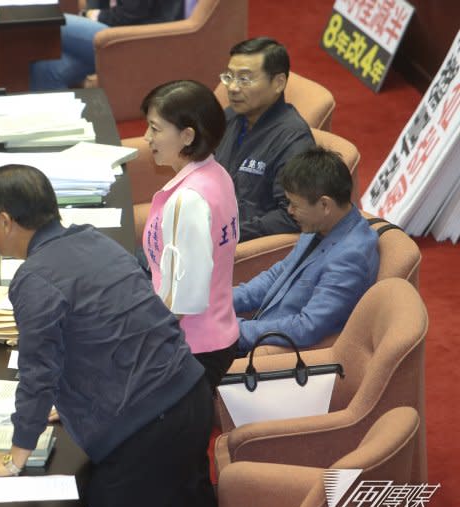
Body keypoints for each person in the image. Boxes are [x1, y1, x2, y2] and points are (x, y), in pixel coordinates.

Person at [0, 165, 217, 507]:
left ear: (4, 220)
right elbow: (118, 327)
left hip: (145, 431)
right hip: (191, 396)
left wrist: (14, 459)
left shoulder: (34, 279)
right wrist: (75, 400)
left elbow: (37, 374)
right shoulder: (94, 240)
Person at [140, 80, 239, 390]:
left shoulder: (189, 200)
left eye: (155, 129)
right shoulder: (217, 174)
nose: (147, 138)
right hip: (209, 338)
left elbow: (182, 301)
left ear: (187, 135)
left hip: (190, 350)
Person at [233, 146, 379, 354]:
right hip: (259, 331)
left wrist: (234, 330)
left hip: (273, 357)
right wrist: (221, 303)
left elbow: (306, 328)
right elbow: (277, 275)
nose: (289, 211)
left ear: (325, 205)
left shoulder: (351, 258)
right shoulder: (320, 225)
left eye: (294, 205)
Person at [214, 36, 316, 241]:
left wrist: (225, 235)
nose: (232, 87)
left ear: (278, 83)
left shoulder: (294, 140)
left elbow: (291, 215)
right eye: (229, 77)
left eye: (244, 79)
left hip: (239, 247)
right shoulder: (230, 116)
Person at [30, 1, 184, 90]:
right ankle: (58, 136)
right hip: (114, 31)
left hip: (139, 38)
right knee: (46, 67)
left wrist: (91, 15)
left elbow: (129, 14)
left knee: (50, 22)